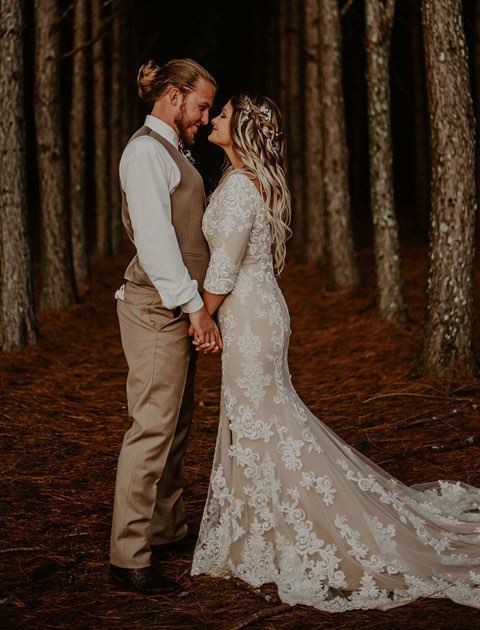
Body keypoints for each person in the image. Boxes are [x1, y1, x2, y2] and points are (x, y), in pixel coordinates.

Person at [190, 94, 480, 611]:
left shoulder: (239, 187)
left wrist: (203, 314)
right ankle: (260, 530)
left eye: (225, 114)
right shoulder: (257, 182)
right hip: (261, 309)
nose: (214, 119)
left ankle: (278, 536)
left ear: (244, 130)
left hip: (247, 313)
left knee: (261, 422)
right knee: (262, 421)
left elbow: (224, 267)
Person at [109, 58, 222, 594]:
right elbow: (155, 243)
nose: (204, 117)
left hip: (176, 308)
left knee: (176, 424)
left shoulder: (171, 150)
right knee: (152, 427)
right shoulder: (144, 153)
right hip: (157, 310)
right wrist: (193, 306)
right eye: (201, 105)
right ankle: (128, 555)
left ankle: (167, 527)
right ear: (174, 96)